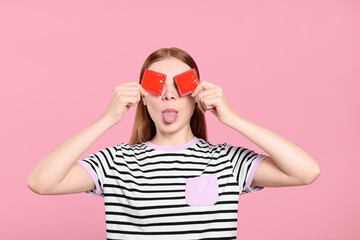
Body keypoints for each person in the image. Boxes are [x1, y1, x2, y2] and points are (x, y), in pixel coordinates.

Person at [27, 47, 321, 239]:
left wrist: (232, 119)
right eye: (157, 86)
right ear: (143, 96)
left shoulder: (228, 161)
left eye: (181, 87)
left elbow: (306, 172)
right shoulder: (115, 163)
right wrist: (107, 119)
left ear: (198, 94)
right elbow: (41, 182)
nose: (168, 96)